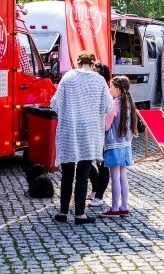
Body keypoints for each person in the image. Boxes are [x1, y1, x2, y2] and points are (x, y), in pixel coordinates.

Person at [51, 50, 112, 225]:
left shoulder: (68, 77)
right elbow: (108, 106)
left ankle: (63, 212)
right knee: (83, 174)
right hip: (90, 132)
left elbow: (55, 103)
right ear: (93, 64)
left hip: (69, 131)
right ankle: (79, 214)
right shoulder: (99, 80)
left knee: (67, 174)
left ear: (78, 63)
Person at [99, 76, 139, 218]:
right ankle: (124, 206)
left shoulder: (114, 104)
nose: (109, 89)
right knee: (123, 176)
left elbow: (106, 125)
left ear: (117, 89)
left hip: (114, 143)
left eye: (111, 87)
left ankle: (115, 208)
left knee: (114, 176)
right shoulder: (129, 102)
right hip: (125, 143)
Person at [87, 60, 113, 206]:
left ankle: (100, 195)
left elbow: (108, 111)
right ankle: (96, 189)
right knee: (85, 161)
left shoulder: (107, 89)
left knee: (102, 163)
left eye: (96, 72)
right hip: (91, 129)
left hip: (102, 131)